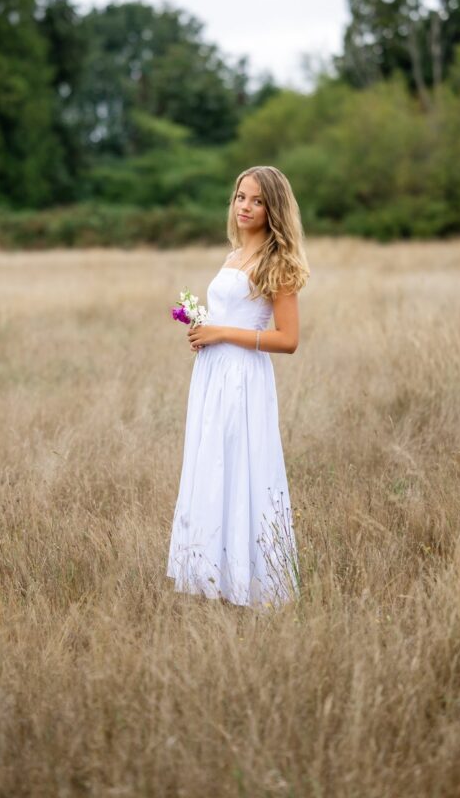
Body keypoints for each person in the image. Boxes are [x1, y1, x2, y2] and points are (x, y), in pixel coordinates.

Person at [166, 166, 310, 608]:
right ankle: (214, 577)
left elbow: (288, 340)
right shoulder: (231, 257)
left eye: (257, 200)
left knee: (242, 467)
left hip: (244, 379)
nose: (245, 206)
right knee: (212, 465)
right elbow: (229, 314)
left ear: (274, 208)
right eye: (240, 197)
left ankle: (252, 582)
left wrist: (222, 333)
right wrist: (203, 328)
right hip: (212, 376)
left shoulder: (277, 262)